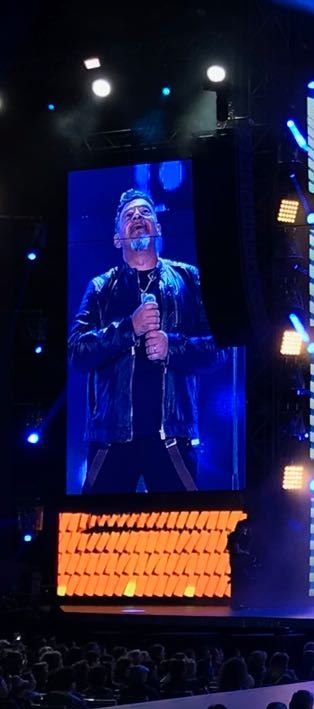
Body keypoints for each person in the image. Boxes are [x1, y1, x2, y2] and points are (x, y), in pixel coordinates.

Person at [69, 188, 222, 493]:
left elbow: (217, 351)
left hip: (172, 437)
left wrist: (171, 346)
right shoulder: (101, 287)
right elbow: (77, 352)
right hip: (111, 438)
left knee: (183, 522)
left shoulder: (189, 279)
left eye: (145, 212)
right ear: (117, 238)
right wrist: (130, 328)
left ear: (158, 228)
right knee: (99, 523)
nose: (137, 217)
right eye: (129, 215)